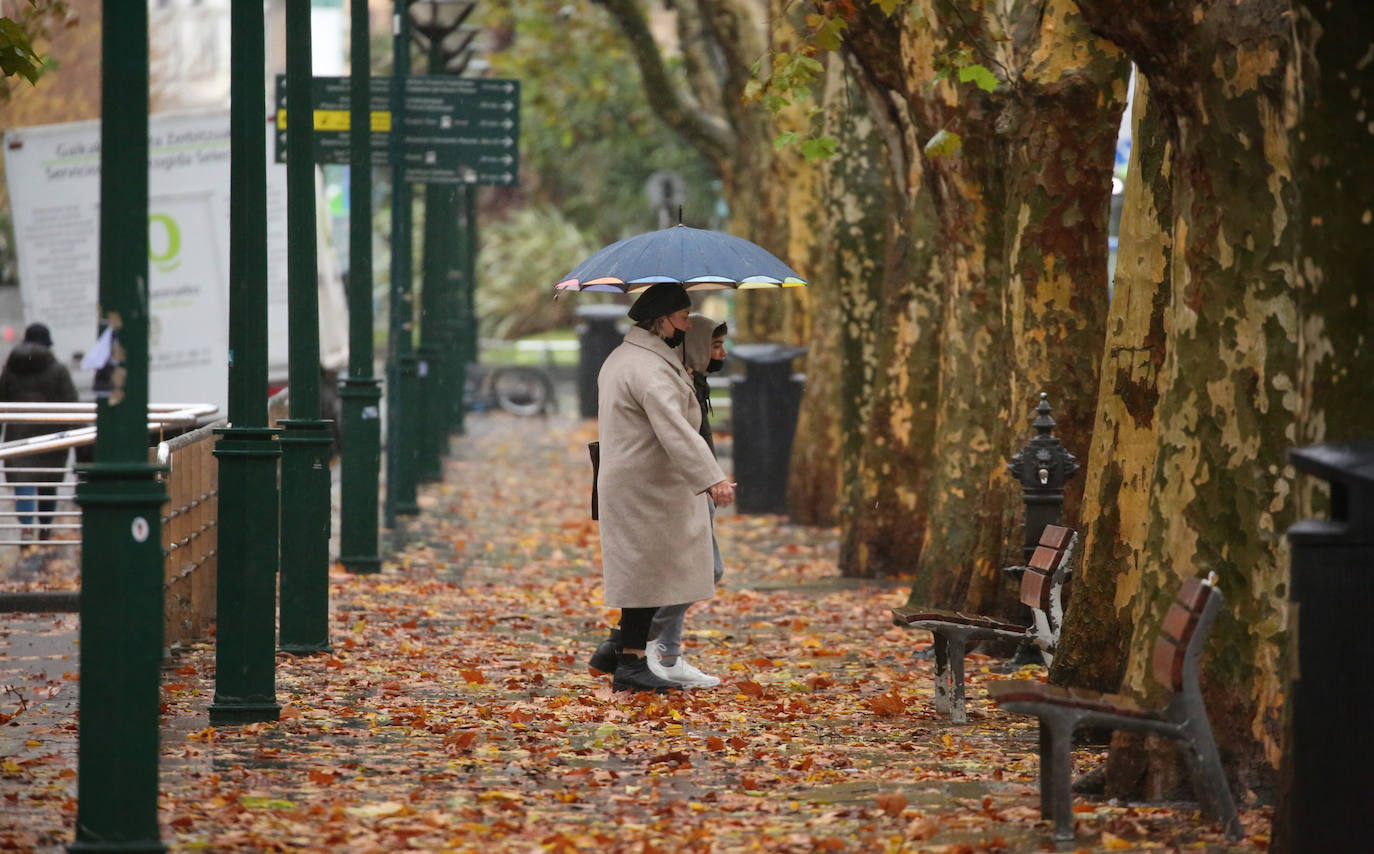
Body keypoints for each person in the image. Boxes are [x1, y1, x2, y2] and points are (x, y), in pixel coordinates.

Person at [588, 283, 735, 693]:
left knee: (648, 572)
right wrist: (713, 479)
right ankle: (631, 660)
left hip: (640, 481)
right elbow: (674, 429)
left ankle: (625, 654)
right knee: (646, 572)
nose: (689, 326)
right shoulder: (648, 367)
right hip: (646, 484)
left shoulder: (630, 357)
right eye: (684, 317)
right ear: (663, 319)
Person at [644, 313, 729, 688]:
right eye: (714, 344)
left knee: (687, 573)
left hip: (698, 487)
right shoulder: (675, 381)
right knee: (706, 570)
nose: (722, 353)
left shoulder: (696, 380)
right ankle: (632, 642)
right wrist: (709, 478)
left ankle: (669, 655)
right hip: (682, 488)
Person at [0, 323, 79, 541]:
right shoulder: (58, 370)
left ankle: (26, 529)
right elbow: (72, 405)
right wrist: (81, 441)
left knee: (22, 482)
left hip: (18, 438)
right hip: (50, 438)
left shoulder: (10, 369)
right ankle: (45, 528)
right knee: (47, 483)